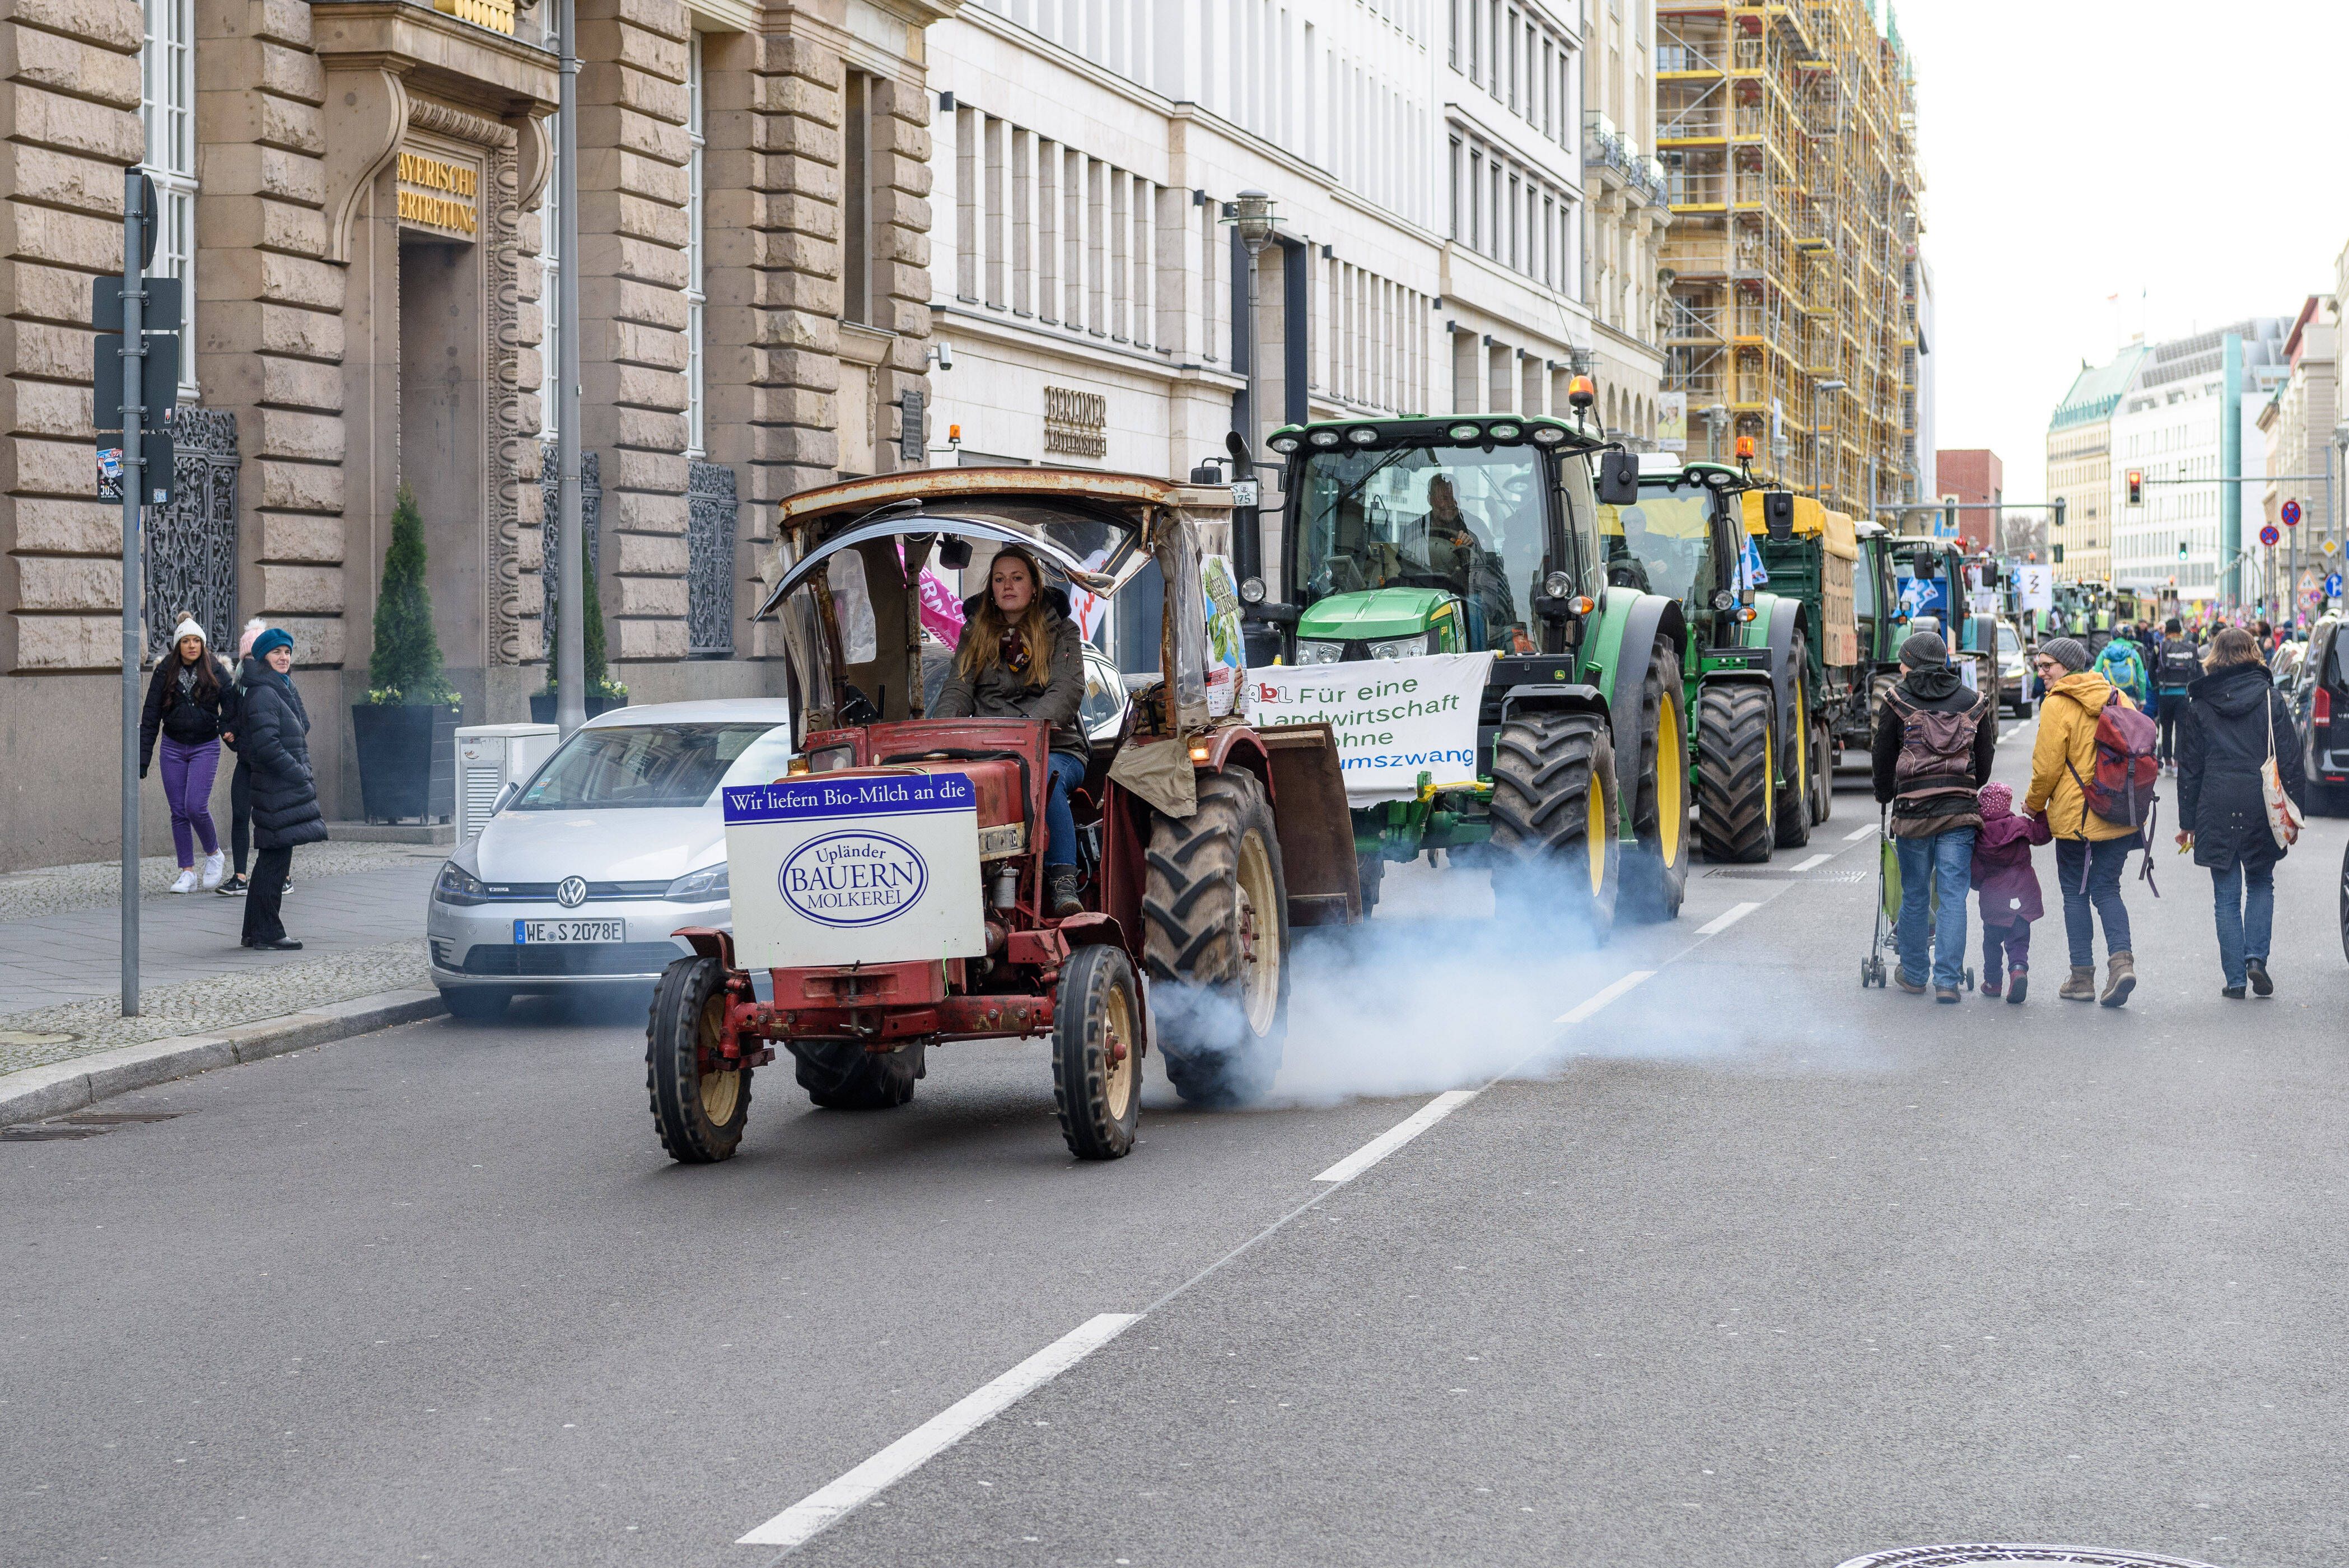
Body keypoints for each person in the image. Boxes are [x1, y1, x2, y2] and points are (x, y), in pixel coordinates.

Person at [934, 546, 1090, 916]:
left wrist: (1025, 735)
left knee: (1041, 775)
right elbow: (957, 689)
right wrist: (941, 736)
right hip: (990, 750)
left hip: (1055, 746)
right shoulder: (975, 633)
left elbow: (1065, 691)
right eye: (999, 579)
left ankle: (1063, 881)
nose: (1007, 586)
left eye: (1017, 578)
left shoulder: (1063, 631)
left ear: (1033, 586)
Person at [2176, 627, 2305, 998]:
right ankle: (2255, 960)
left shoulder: (2199, 703)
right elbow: (2289, 757)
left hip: (2215, 801)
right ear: (2253, 653)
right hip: (2259, 801)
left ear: (2214, 656)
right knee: (2261, 881)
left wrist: (2187, 822)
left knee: (2226, 895)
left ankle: (2234, 981)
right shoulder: (2270, 699)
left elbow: (2190, 768)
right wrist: (2294, 810)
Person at [1872, 629, 1996, 1002]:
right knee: (1953, 897)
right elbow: (1984, 759)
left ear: (1910, 663)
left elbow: (1882, 756)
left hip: (1913, 814)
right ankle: (1946, 981)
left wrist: (1884, 793)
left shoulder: (1895, 700)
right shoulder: (1973, 701)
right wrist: (1966, 789)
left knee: (1914, 895)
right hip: (1959, 814)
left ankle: (1912, 974)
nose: (1898, 666)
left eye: (1902, 660)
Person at [2023, 635, 2140, 1006]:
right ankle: (2121, 965)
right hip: (2120, 809)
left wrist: (2032, 805)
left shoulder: (2057, 704)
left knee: (2075, 892)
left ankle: (2081, 978)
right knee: (2107, 889)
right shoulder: (2116, 696)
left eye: (2047, 665)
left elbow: (2046, 767)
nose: (2041, 672)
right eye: (2038, 665)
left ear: (2067, 667)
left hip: (2075, 817)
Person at [235, 627, 326, 950]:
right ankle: (268, 931)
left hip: (280, 789)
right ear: (263, 657)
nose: (284, 657)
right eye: (277, 652)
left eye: (287, 652)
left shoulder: (277, 687)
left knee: (274, 858)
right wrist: (299, 772)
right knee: (275, 861)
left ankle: (255, 931)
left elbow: (302, 725)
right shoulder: (263, 692)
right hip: (277, 787)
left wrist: (290, 690)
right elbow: (267, 745)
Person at [137, 615, 235, 893]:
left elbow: (232, 703)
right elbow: (151, 715)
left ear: (203, 645)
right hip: (173, 747)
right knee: (178, 811)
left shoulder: (215, 668)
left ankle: (214, 854)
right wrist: (143, 758)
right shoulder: (165, 670)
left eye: (196, 641)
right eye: (186, 641)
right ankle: (187, 872)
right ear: (178, 645)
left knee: (195, 806)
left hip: (205, 746)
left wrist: (227, 728)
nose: (192, 646)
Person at [1970, 781, 2052, 1004]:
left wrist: (1980, 886)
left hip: (1994, 900)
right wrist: (2038, 813)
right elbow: (2045, 834)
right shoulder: (2021, 825)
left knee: (1992, 941)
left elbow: (1975, 874)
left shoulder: (1980, 836)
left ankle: (1993, 982)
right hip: (2023, 896)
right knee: (2019, 938)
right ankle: (2018, 971)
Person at [213, 618, 268, 895]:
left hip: (269, 764)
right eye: (247, 656)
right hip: (246, 762)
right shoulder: (237, 687)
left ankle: (282, 875)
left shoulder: (275, 686)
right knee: (239, 815)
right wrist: (229, 734)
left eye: (257, 655)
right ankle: (240, 876)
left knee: (271, 818)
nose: (252, 662)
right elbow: (228, 719)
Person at [2151, 617, 2199, 773]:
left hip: (2165, 694)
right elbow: (2197, 670)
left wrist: (2156, 687)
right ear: (2179, 631)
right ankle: (2178, 762)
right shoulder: (2190, 647)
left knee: (2166, 728)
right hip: (2183, 694)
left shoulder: (2160, 647)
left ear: (2167, 631)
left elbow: (2151, 669)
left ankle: (2168, 762)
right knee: (2181, 729)